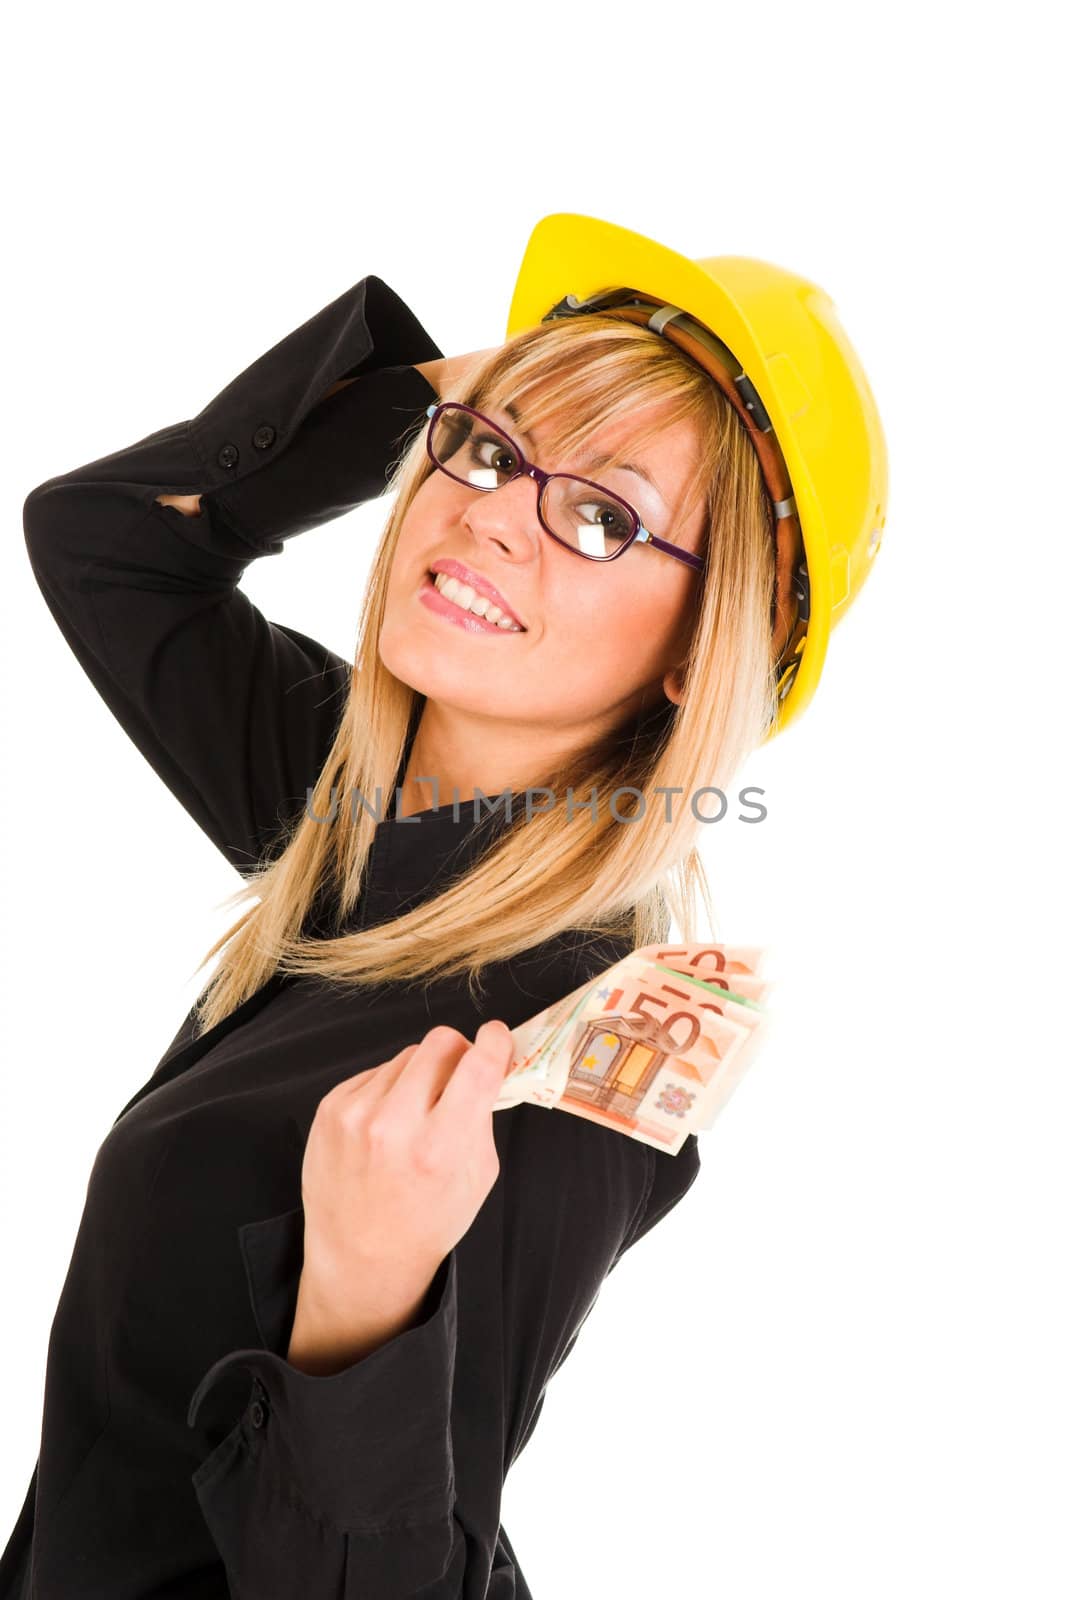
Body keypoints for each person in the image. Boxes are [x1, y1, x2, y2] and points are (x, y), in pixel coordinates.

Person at [0, 214, 887, 1597]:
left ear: (692, 656)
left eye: (602, 517)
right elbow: (109, 537)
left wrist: (359, 1315)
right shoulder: (344, 810)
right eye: (488, 453)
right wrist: (431, 398)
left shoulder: (555, 1065)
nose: (488, 513)